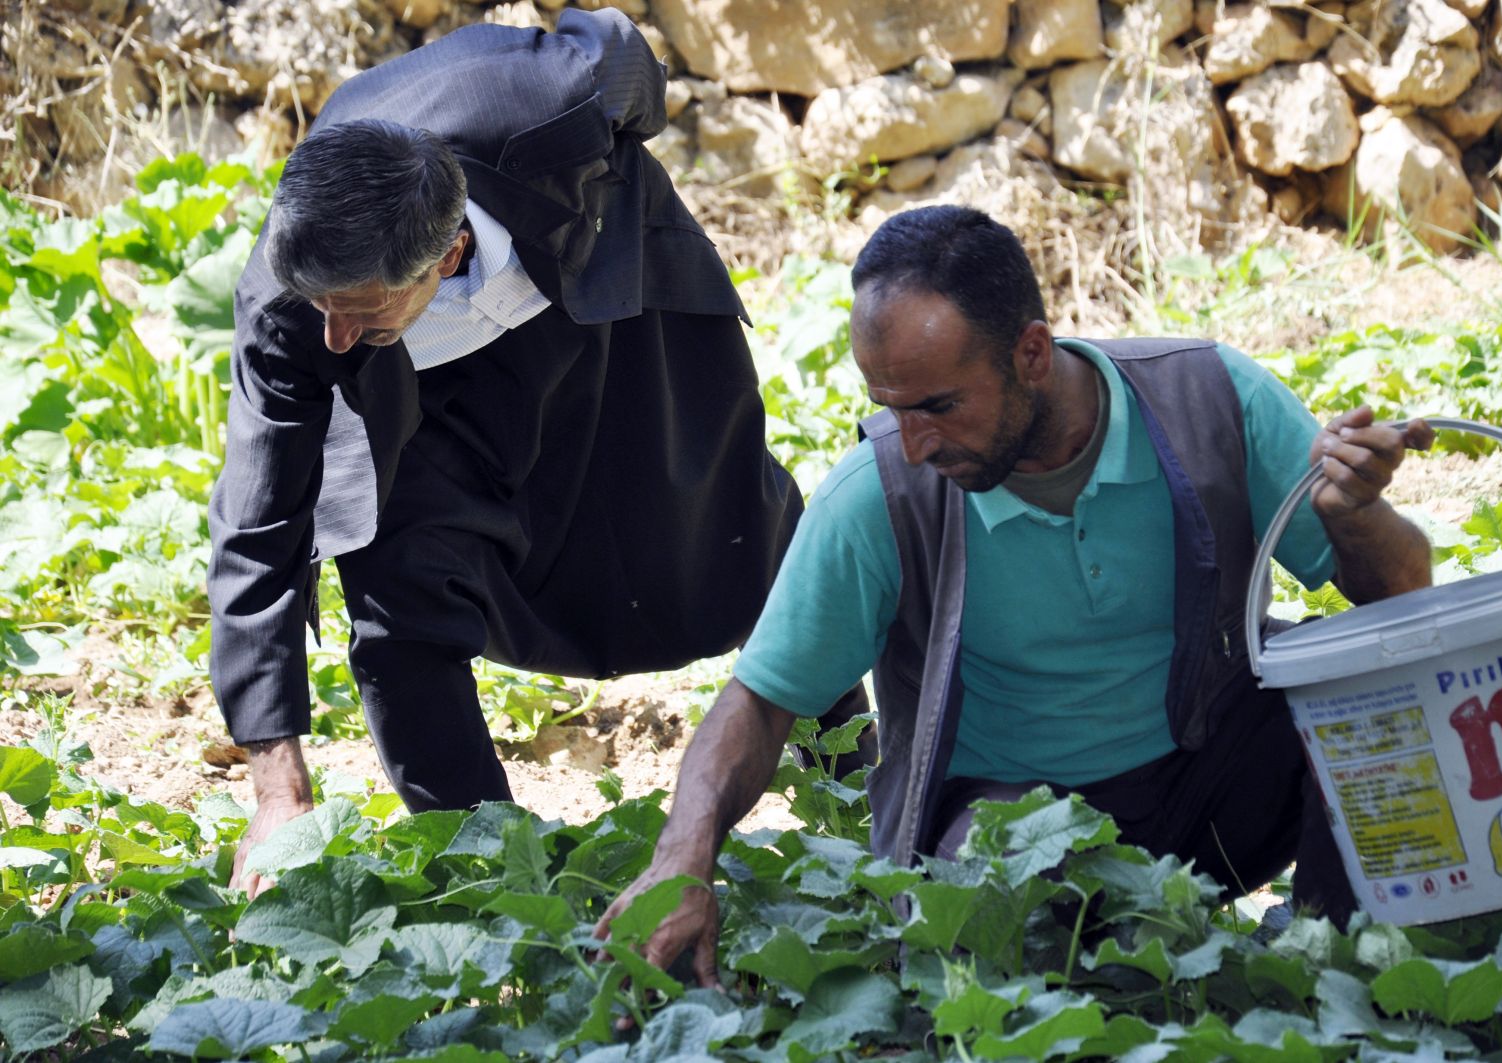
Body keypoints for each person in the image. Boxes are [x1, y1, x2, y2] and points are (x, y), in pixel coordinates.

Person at [598, 205, 1435, 984]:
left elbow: (1402, 592)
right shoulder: (879, 494)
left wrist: (1353, 515)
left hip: (1214, 787)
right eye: (891, 408)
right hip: (1009, 831)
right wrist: (683, 858)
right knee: (992, 913)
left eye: (938, 406)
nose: (914, 443)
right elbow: (758, 702)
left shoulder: (1211, 401)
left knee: (1371, 694)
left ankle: (1331, 968)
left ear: (1031, 354)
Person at [209, 8, 864, 897]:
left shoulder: (551, 106)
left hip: (604, 317)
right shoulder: (297, 306)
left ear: (447, 255)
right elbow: (258, 523)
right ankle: (495, 876)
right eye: (321, 309)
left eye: (356, 311)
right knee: (396, 594)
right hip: (427, 397)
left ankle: (863, 792)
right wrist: (277, 789)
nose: (331, 335)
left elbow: (627, 59)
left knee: (737, 529)